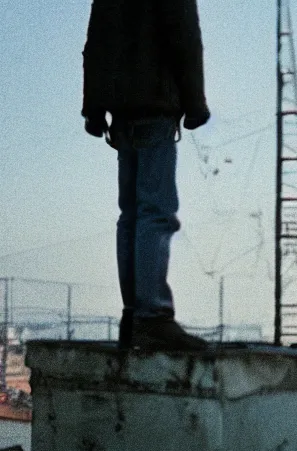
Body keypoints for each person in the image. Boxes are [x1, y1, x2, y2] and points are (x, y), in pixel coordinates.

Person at [82, 0, 210, 350]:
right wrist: (195, 104)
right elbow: (184, 37)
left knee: (132, 215)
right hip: (155, 103)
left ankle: (133, 314)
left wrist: (93, 110)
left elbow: (95, 44)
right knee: (155, 213)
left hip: (120, 112)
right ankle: (151, 316)